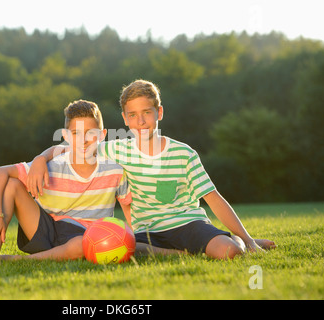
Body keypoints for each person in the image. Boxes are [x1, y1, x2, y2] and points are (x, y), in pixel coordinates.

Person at [28, 80, 276, 260]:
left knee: (230, 253)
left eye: (147, 113)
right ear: (125, 119)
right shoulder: (115, 150)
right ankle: (181, 253)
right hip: (146, 233)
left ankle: (238, 239)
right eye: (133, 115)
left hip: (187, 223)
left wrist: (249, 239)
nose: (141, 121)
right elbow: (74, 147)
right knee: (132, 248)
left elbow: (213, 199)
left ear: (159, 112)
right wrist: (41, 157)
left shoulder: (184, 153)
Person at [0, 100, 131, 266]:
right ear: (65, 136)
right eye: (76, 133)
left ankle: (17, 260)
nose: (84, 140)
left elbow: (128, 210)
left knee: (80, 244)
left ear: (102, 135)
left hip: (86, 237)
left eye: (91, 133)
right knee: (12, 185)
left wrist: (132, 239)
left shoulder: (115, 171)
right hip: (44, 229)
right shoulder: (51, 165)